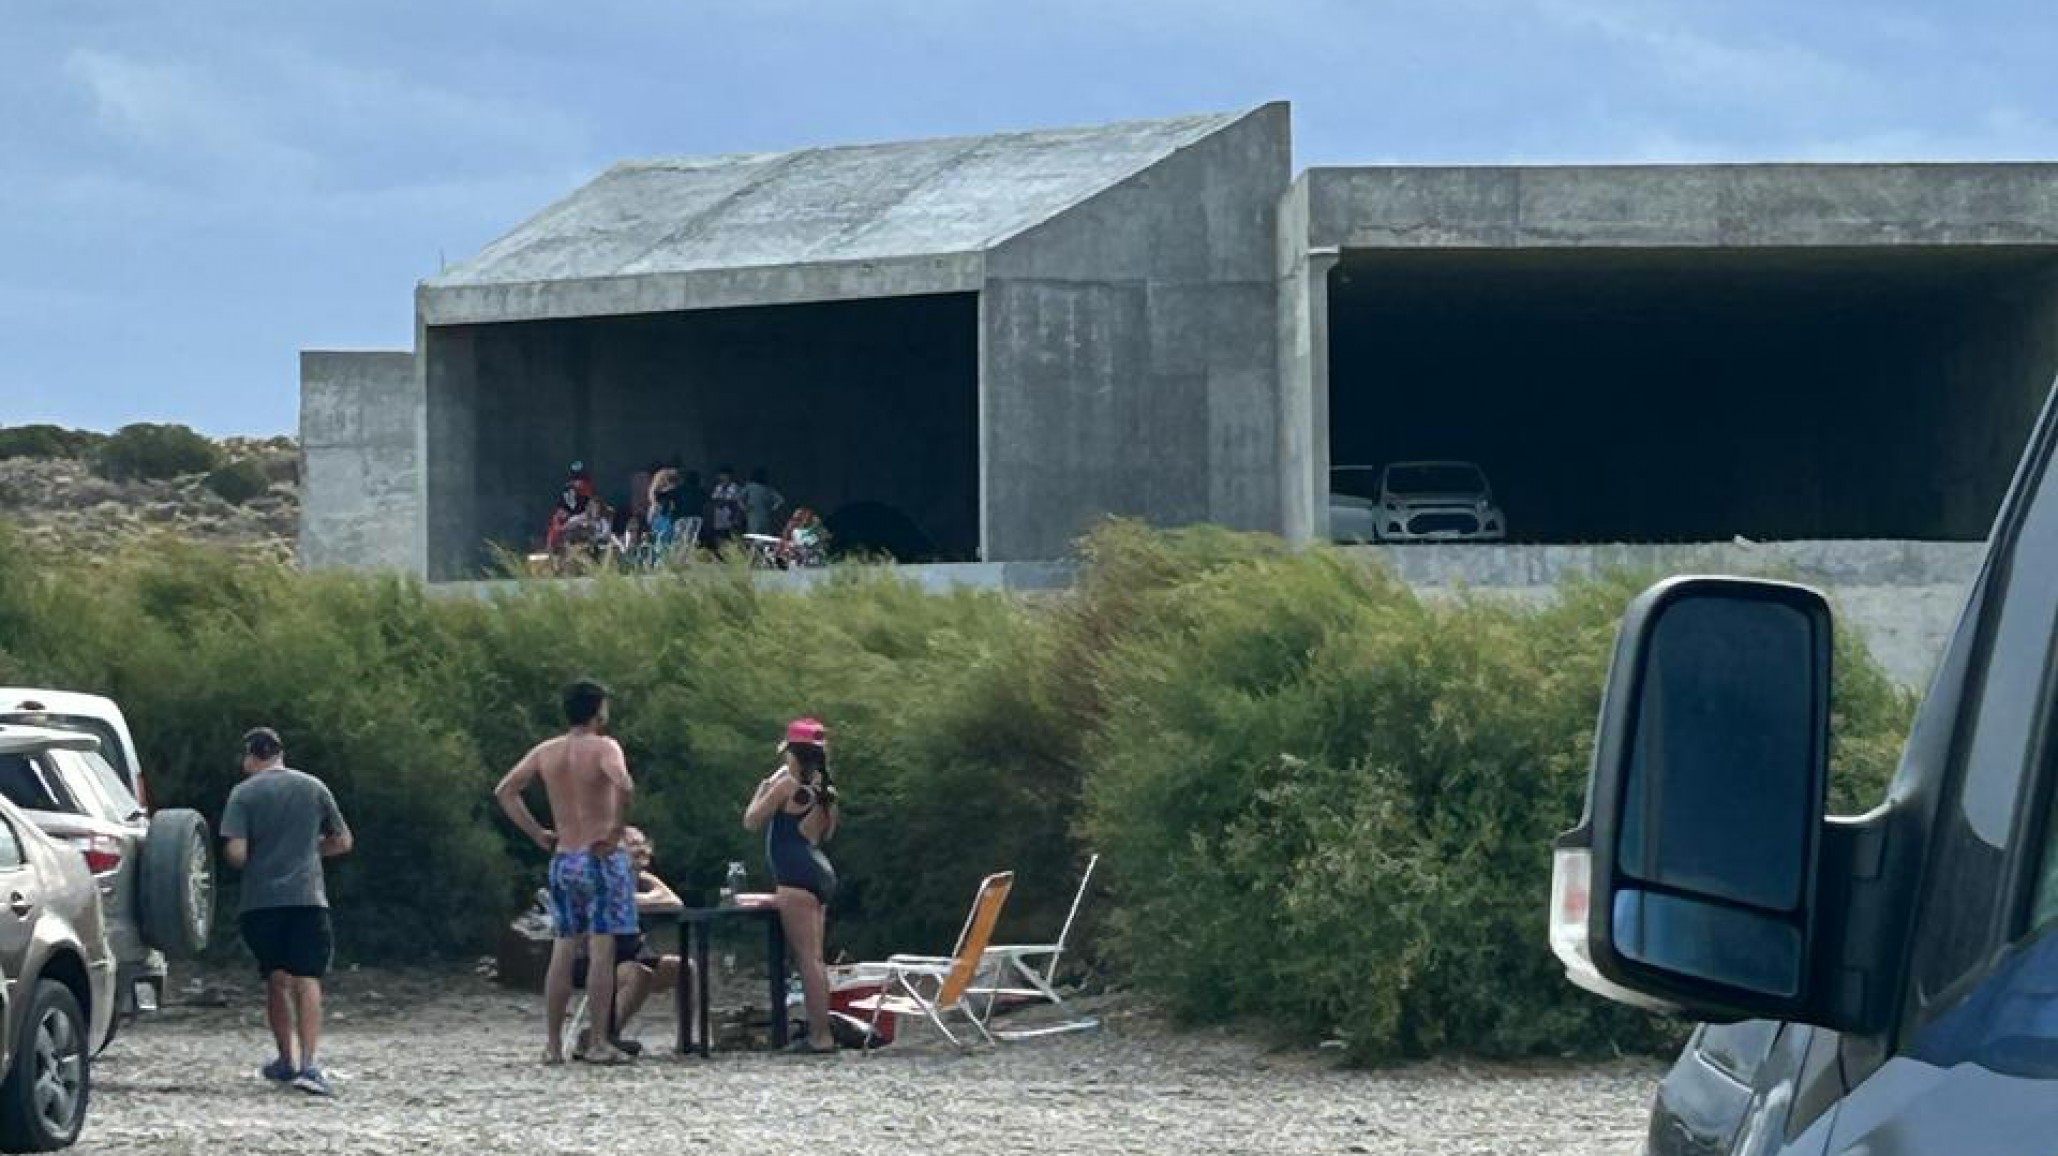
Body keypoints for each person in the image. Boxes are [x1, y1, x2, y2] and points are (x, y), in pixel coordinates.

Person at [494, 679, 638, 1065]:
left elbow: (506, 790)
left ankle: (553, 1044)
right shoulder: (604, 747)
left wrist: (537, 832)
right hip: (600, 856)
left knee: (563, 946)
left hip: (564, 856)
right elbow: (623, 783)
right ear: (598, 710)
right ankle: (598, 1041)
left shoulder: (547, 751)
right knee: (601, 949)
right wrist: (616, 829)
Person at [221, 727, 353, 1097]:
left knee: (276, 979)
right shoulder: (314, 787)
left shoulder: (242, 795)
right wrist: (311, 852)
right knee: (308, 978)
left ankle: (285, 1060)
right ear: (280, 752)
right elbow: (342, 841)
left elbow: (237, 854)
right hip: (308, 897)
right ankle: (310, 1065)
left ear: (251, 755)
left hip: (261, 902)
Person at [743, 718, 839, 1054]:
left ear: (792, 754)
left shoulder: (784, 786)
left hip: (794, 876)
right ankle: (821, 1030)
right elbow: (827, 835)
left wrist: (762, 787)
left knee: (807, 960)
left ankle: (821, 1036)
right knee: (817, 958)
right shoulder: (827, 791)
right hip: (819, 871)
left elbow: (752, 820)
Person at [587, 826, 685, 1051]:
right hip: (604, 959)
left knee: (685, 968)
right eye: (632, 844)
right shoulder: (602, 875)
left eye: (642, 843)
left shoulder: (642, 879)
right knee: (639, 974)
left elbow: (674, 902)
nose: (640, 848)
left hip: (636, 951)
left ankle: (685, 1040)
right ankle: (605, 1035)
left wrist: (631, 900)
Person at [707, 467, 746, 546]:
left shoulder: (736, 488)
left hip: (733, 521)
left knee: (733, 542)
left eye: (724, 476)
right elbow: (714, 500)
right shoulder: (718, 488)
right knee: (720, 542)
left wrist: (725, 501)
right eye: (720, 476)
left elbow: (735, 502)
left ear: (730, 476)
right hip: (720, 521)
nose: (722, 478)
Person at [742, 468, 786, 537]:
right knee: (762, 534)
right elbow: (780, 500)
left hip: (755, 514)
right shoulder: (766, 488)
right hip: (761, 514)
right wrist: (772, 509)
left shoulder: (753, 487)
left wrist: (744, 508)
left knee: (755, 533)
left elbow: (739, 498)